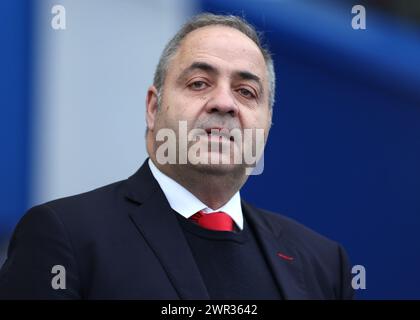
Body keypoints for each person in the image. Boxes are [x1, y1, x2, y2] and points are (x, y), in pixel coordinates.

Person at [0, 13, 354, 299]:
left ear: (267, 124)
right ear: (153, 108)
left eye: (246, 92)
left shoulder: (322, 264)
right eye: (199, 83)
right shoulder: (66, 236)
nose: (224, 103)